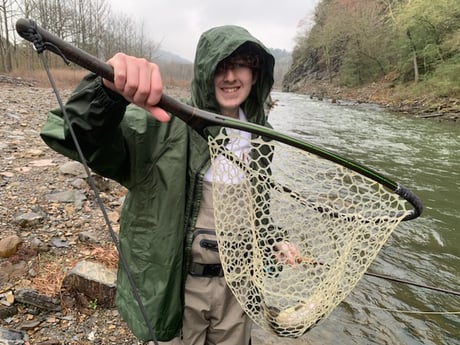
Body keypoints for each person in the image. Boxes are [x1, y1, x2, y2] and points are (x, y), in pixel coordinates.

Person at [40, 25, 298, 344]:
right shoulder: (163, 125)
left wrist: (274, 239)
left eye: (242, 64)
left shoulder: (263, 137)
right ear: (205, 72)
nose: (231, 76)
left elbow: (256, 208)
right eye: (221, 65)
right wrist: (105, 90)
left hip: (239, 289)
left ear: (256, 73)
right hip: (179, 289)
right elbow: (76, 135)